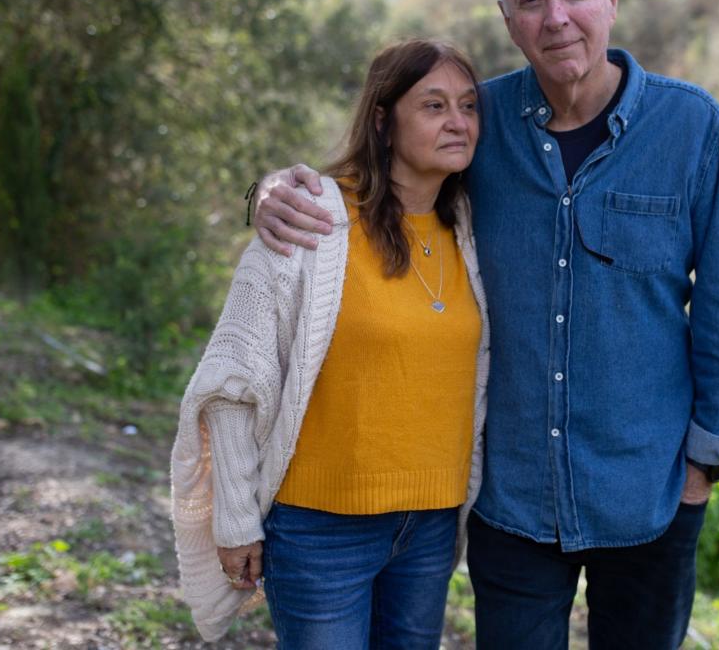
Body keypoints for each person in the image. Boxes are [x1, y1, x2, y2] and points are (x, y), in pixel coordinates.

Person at [252, 0, 719, 649]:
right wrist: (271, 189)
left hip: (648, 491)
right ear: (507, 20)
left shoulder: (692, 128)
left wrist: (700, 469)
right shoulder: (477, 121)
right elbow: (373, 177)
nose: (555, 18)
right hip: (512, 499)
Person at [170, 38, 490, 649]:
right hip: (320, 530)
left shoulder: (470, 226)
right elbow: (237, 381)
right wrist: (236, 518)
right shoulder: (309, 217)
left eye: (469, 106)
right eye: (433, 106)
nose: (458, 122)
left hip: (429, 527)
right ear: (382, 120)